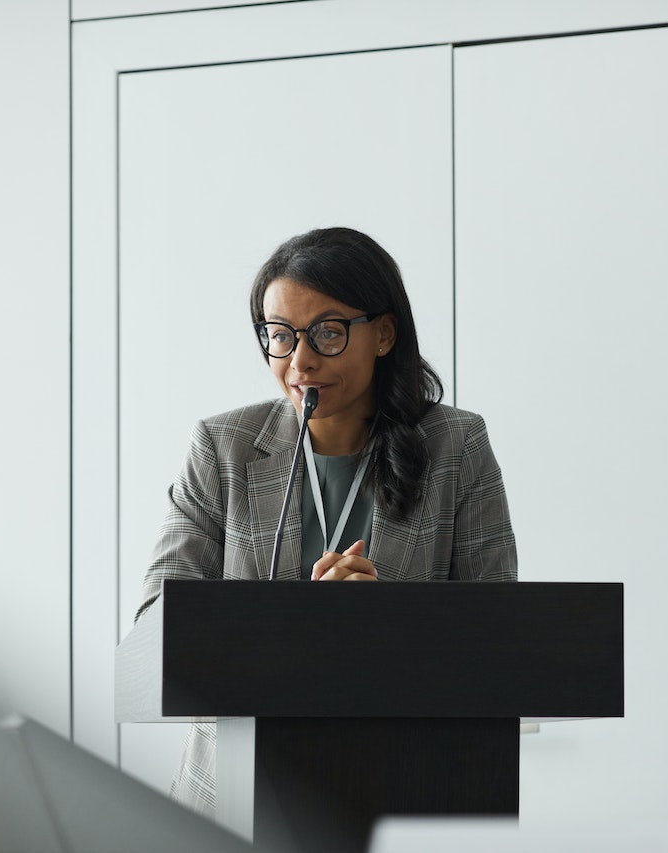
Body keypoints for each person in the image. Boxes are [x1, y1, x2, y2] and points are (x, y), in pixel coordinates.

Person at [137, 226, 518, 815]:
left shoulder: (457, 447)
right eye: (280, 337)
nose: (301, 362)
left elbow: (501, 637)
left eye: (328, 333)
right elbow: (157, 628)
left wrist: (381, 627)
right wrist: (295, 628)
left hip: (409, 787)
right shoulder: (224, 448)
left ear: (384, 333)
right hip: (238, 796)